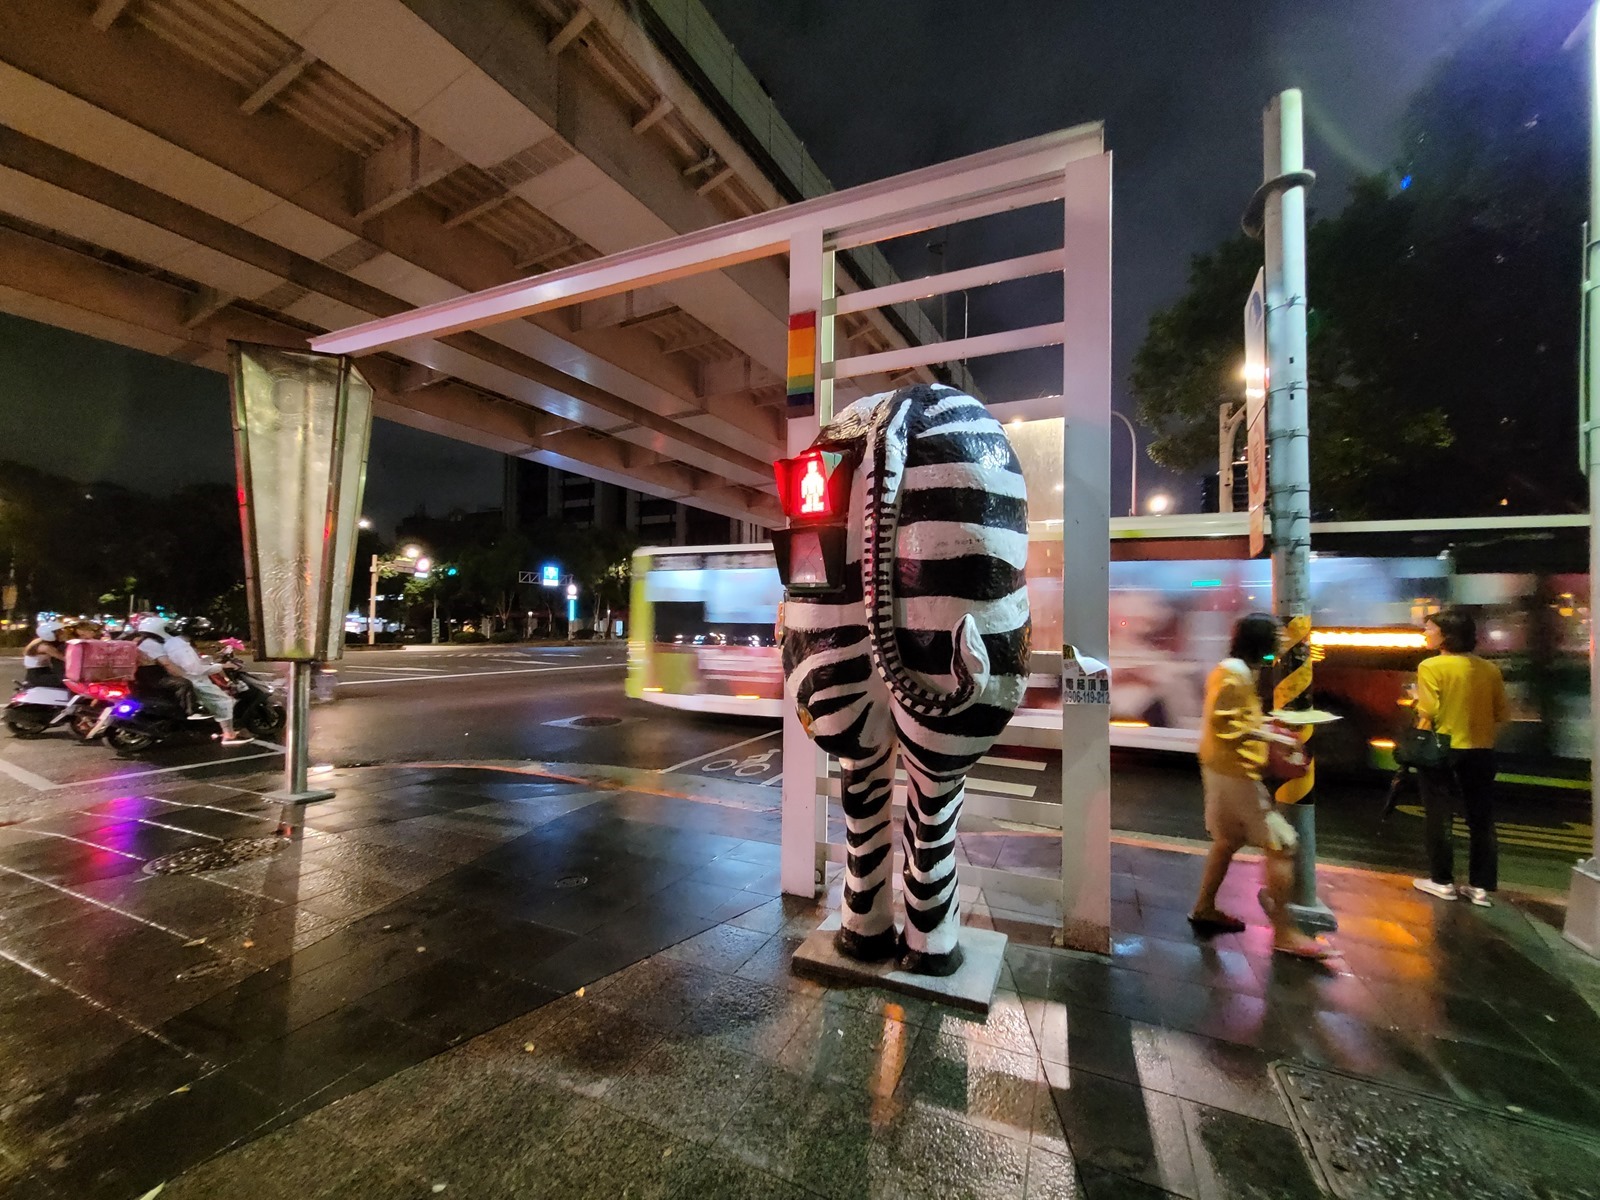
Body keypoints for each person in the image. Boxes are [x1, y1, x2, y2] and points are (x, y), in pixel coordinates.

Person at [1190, 612, 1333, 958]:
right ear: (1260, 640)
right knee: (1282, 843)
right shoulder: (1233, 673)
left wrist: (1267, 724)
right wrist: (1272, 735)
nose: (1282, 642)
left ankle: (1204, 908)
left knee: (1227, 840)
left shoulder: (1238, 671)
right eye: (1277, 636)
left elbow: (1236, 719)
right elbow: (1227, 725)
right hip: (1235, 771)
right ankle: (1285, 932)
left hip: (1222, 767)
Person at [1411, 608, 1508, 907]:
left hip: (1442, 750)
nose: (1425, 633)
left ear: (1446, 635)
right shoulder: (1489, 669)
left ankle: (1442, 882)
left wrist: (1416, 706)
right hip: (1481, 751)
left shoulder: (1431, 666)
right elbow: (1501, 713)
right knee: (1481, 819)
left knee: (1439, 816)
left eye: (1430, 629)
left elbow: (1429, 711)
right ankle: (1480, 887)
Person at [133, 615, 251, 745]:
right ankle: (229, 736)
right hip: (185, 678)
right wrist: (220, 666)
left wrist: (210, 662)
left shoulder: (167, 642)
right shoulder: (160, 644)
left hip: (168, 676)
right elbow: (180, 666)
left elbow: (185, 662)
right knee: (224, 701)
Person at [21, 619, 67, 686]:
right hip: (38, 675)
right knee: (66, 682)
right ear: (50, 634)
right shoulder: (46, 647)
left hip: (43, 672)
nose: (62, 634)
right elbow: (64, 658)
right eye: (59, 632)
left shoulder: (38, 641)